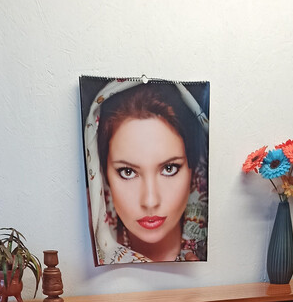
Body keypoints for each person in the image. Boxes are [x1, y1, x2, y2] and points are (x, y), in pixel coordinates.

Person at [82, 79, 209, 264]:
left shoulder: (219, 256)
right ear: (103, 175)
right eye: (127, 172)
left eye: (169, 168)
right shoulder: (83, 242)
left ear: (194, 171)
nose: (150, 201)